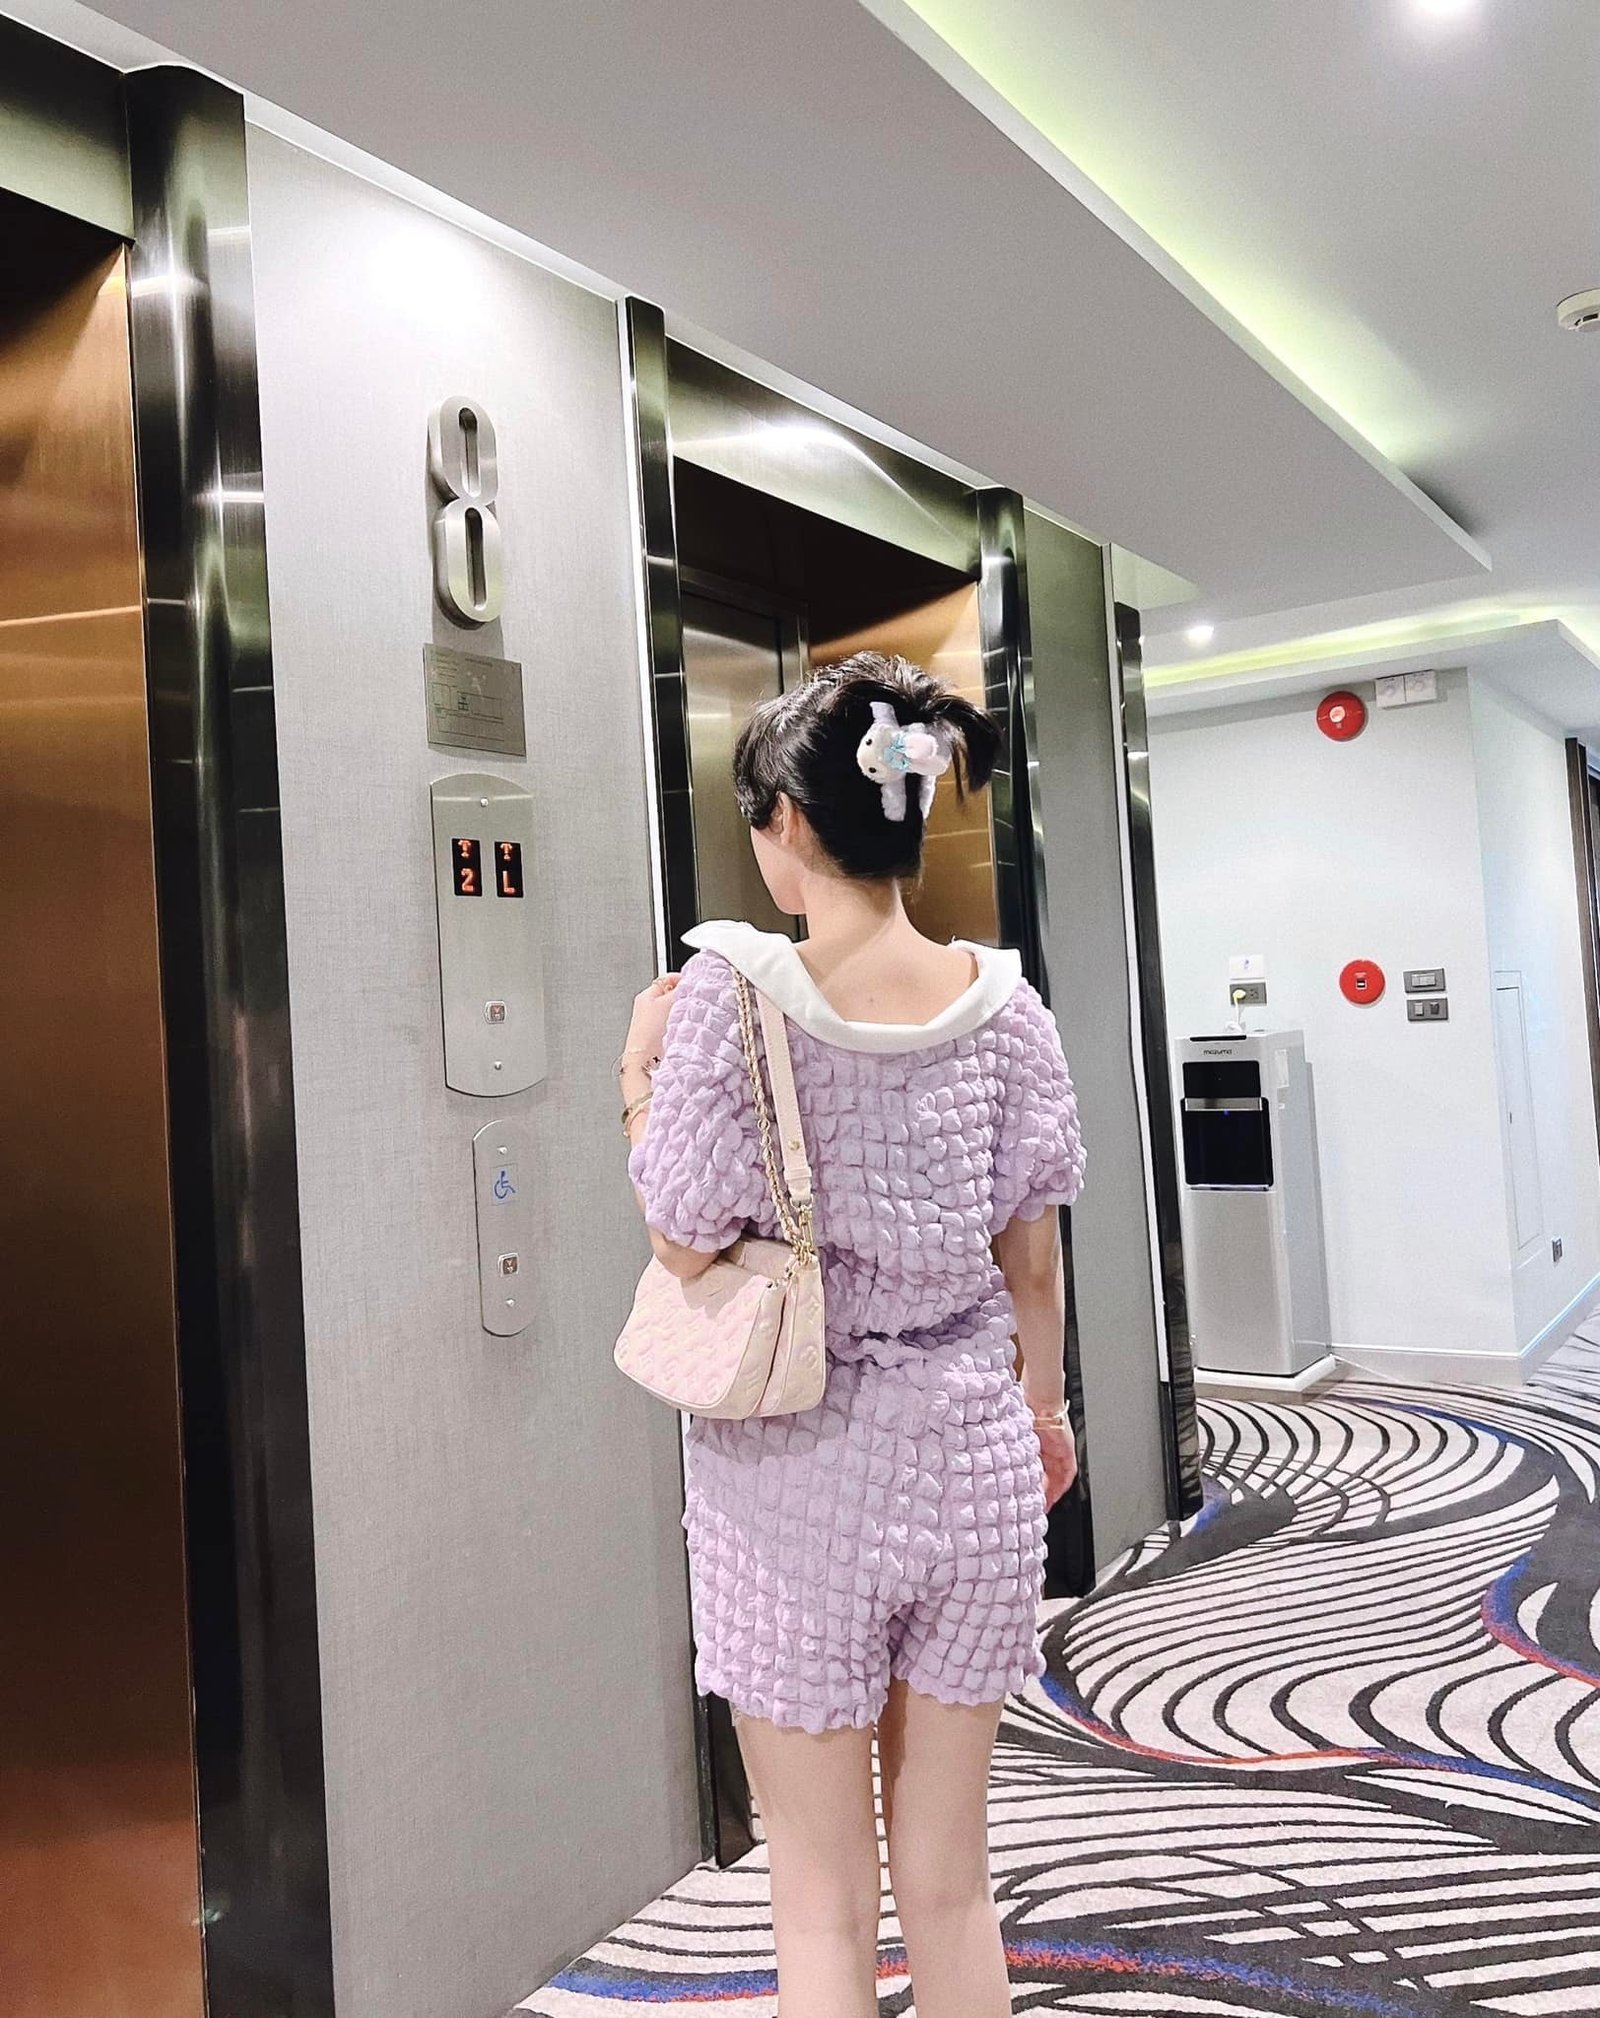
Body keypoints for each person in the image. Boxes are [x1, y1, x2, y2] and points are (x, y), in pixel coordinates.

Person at [617, 651, 1084, 2017]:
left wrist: (638, 1075)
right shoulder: (1008, 1009)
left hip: (797, 1478)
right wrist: (1044, 1414)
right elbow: (1034, 1259)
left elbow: (683, 1236)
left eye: (759, 821)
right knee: (952, 1886)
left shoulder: (731, 995)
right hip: (974, 1459)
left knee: (821, 1905)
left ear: (788, 820)